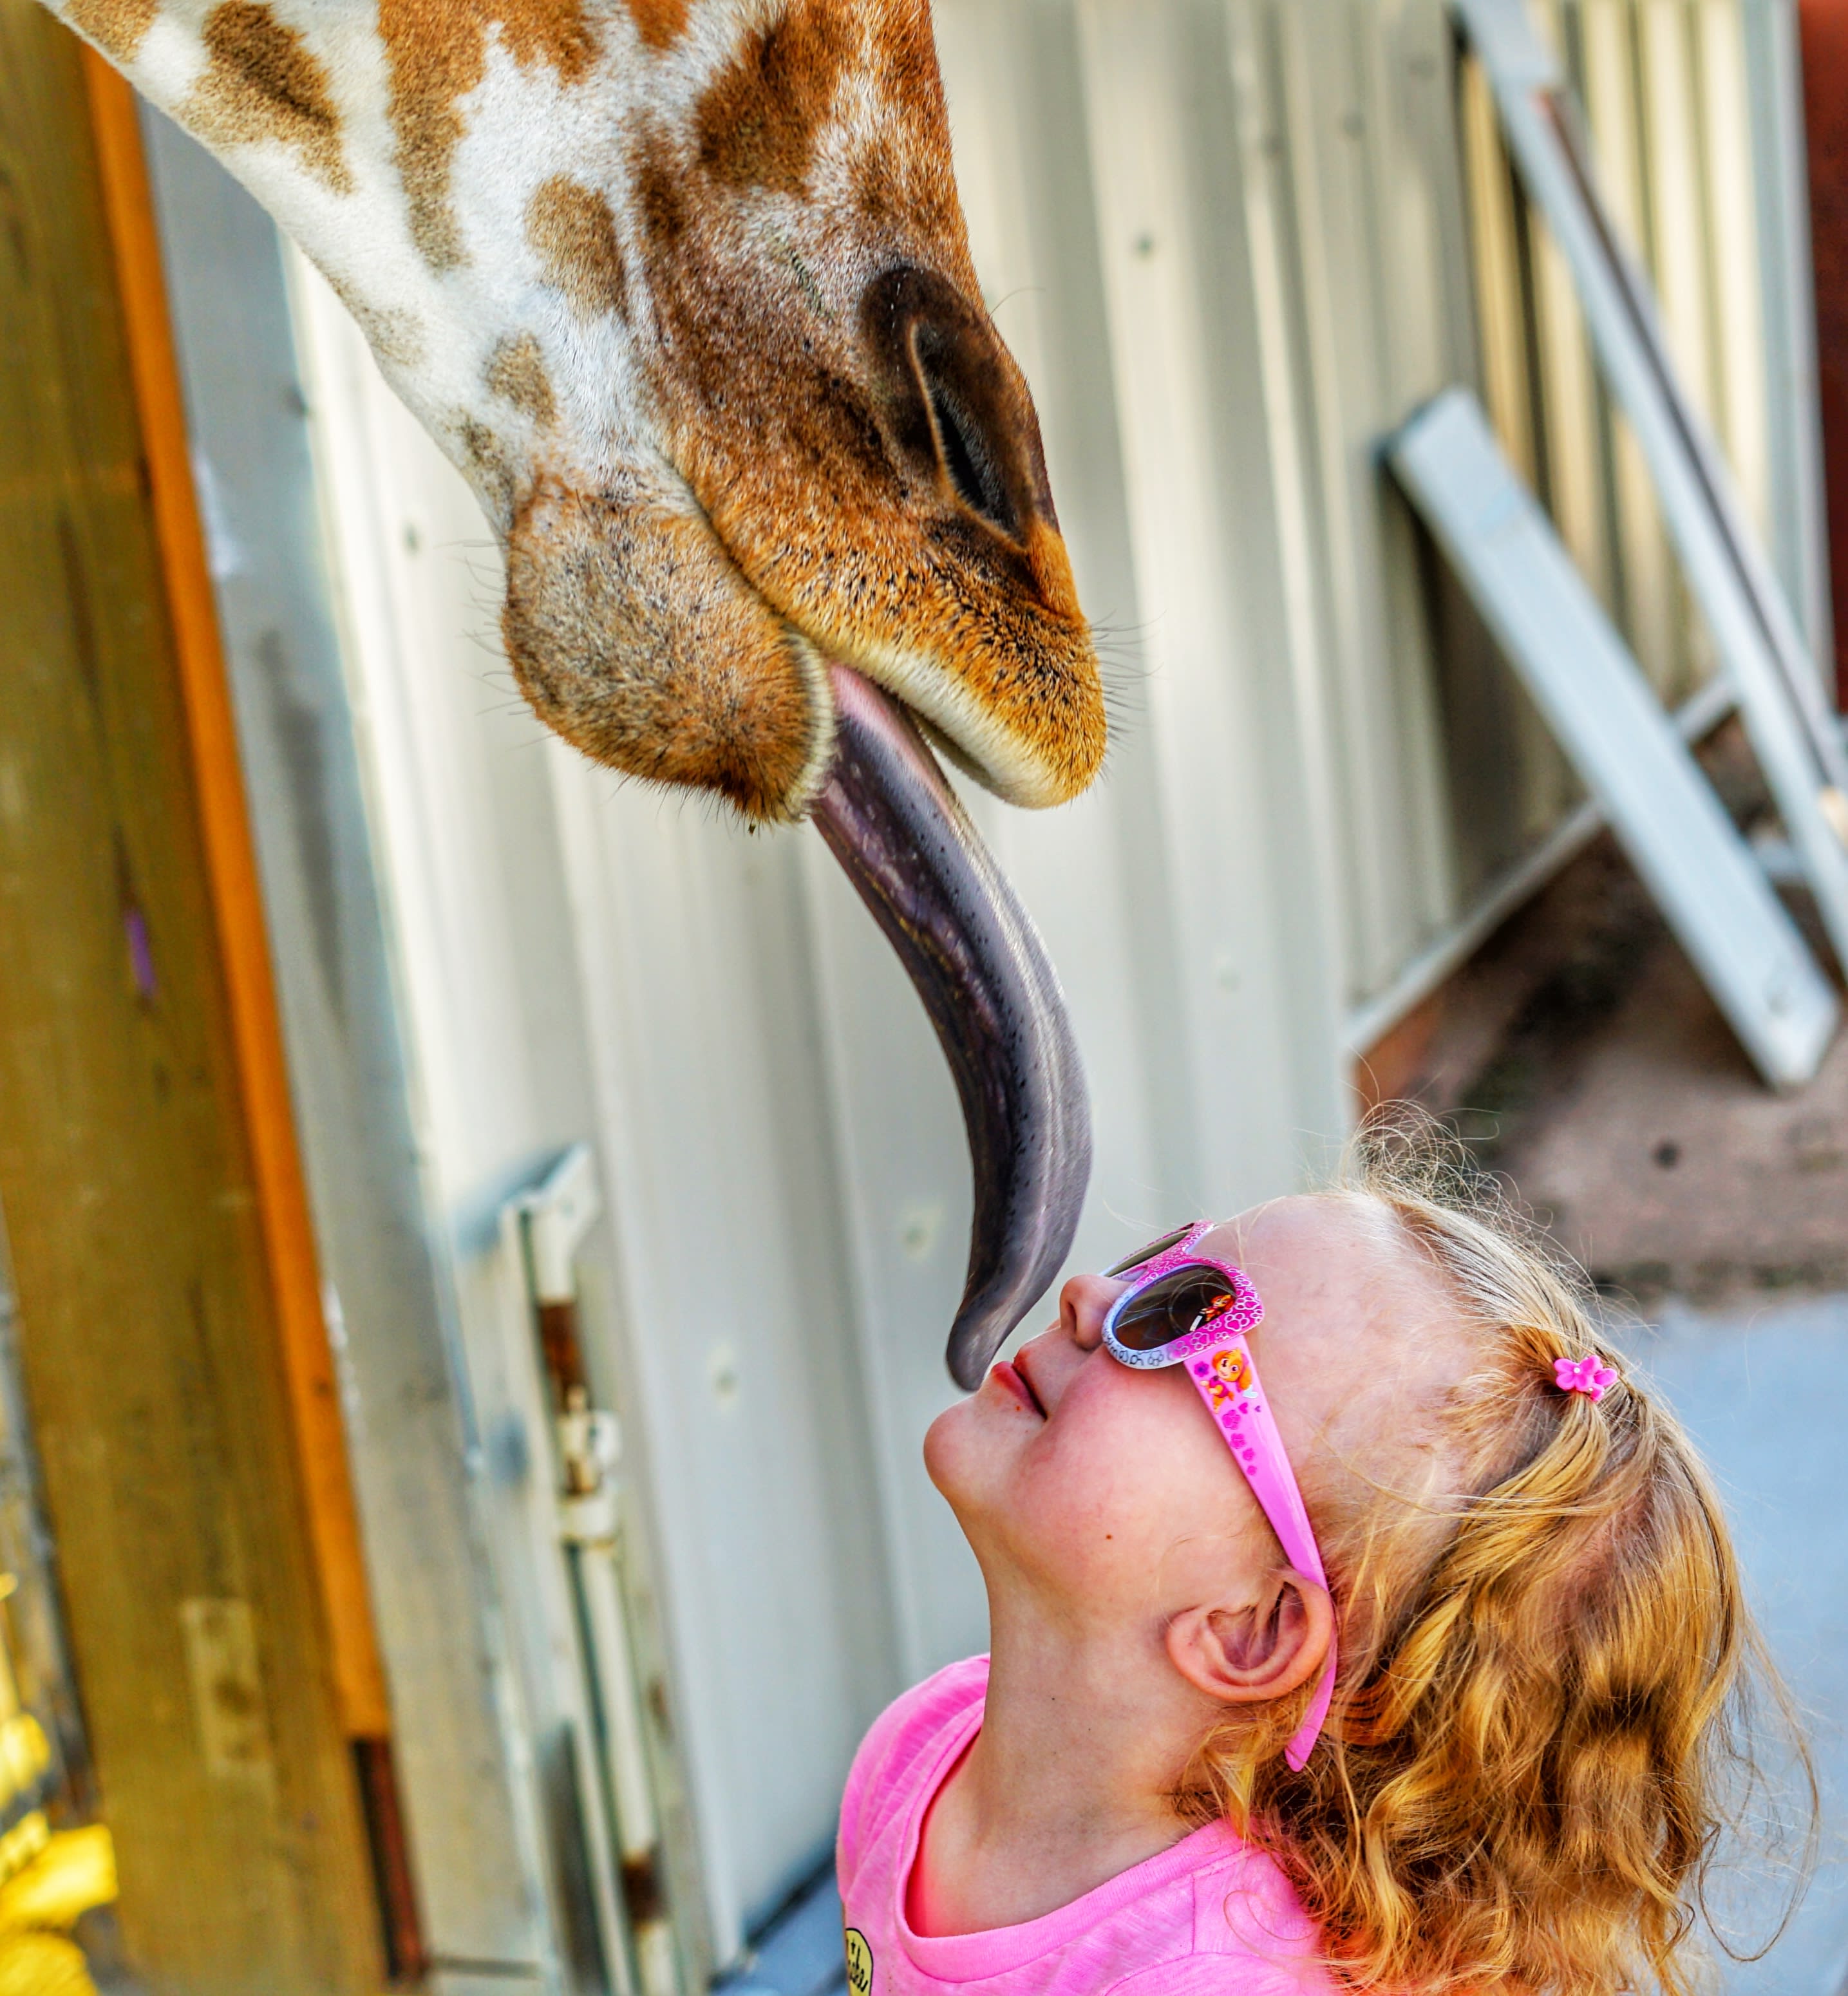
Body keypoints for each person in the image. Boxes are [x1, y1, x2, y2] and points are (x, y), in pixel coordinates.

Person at [836, 1129, 1807, 1994]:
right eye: (1156, 1263)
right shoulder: (922, 1750)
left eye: (1177, 1319)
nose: (1090, 1295)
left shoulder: (1210, 1979)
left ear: (1254, 1629)